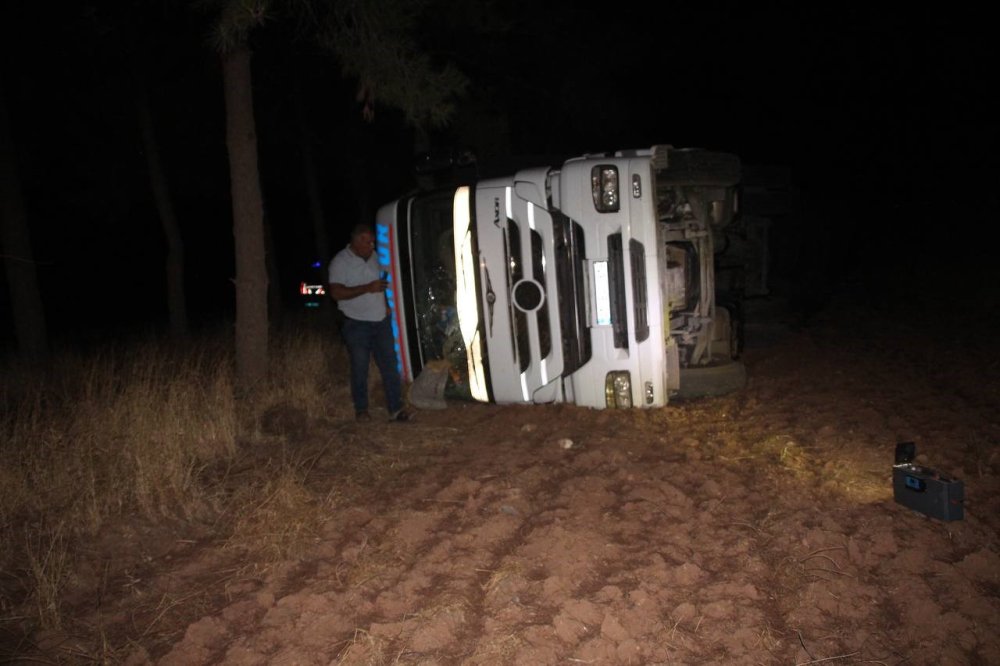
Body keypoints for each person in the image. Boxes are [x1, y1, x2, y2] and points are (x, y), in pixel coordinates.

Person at [328, 224, 411, 422]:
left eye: (372, 241)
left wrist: (387, 304)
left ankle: (396, 409)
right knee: (360, 367)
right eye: (367, 241)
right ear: (355, 241)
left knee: (390, 366)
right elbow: (336, 292)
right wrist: (367, 288)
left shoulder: (375, 258)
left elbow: (380, 286)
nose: (372, 245)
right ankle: (362, 410)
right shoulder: (341, 261)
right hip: (356, 323)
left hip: (381, 321)